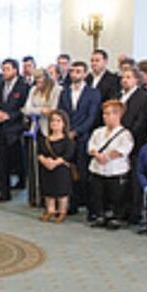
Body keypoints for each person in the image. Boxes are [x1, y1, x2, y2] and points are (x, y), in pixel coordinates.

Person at [59, 61, 102, 217]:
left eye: (78, 71)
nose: (74, 74)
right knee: (69, 172)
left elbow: (92, 117)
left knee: (85, 174)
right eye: (72, 71)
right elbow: (61, 113)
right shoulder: (64, 92)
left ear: (85, 74)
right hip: (67, 137)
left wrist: (76, 131)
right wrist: (65, 131)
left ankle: (91, 209)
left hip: (84, 137)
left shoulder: (93, 93)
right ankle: (73, 203)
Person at [87, 101, 134, 229]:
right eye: (105, 114)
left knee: (116, 195)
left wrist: (107, 157)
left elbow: (124, 149)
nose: (106, 117)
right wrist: (96, 154)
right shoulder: (98, 131)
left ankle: (116, 217)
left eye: (109, 114)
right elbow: (91, 146)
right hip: (97, 168)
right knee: (97, 194)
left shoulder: (125, 133)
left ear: (118, 115)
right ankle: (100, 215)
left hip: (116, 169)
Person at [118, 66, 147, 225]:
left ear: (137, 80)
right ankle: (122, 210)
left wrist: (125, 136)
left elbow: (141, 121)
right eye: (123, 77)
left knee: (134, 179)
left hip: (135, 142)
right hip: (117, 141)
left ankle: (135, 212)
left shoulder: (144, 98)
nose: (125, 80)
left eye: (128, 77)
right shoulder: (119, 96)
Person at [0, 58, 29, 202]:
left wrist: (9, 116)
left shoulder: (23, 86)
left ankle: (21, 181)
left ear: (15, 70)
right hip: (1, 127)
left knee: (17, 160)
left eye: (7, 69)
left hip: (16, 128)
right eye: (3, 69)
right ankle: (4, 191)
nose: (4, 72)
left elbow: (25, 108)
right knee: (2, 161)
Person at [37, 109, 74, 223]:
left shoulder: (67, 140)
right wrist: (44, 160)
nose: (55, 123)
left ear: (64, 123)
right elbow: (39, 153)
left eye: (58, 121)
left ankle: (62, 211)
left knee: (61, 191)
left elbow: (69, 155)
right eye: (52, 121)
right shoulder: (45, 139)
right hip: (46, 168)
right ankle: (50, 210)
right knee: (48, 190)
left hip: (61, 169)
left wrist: (55, 162)